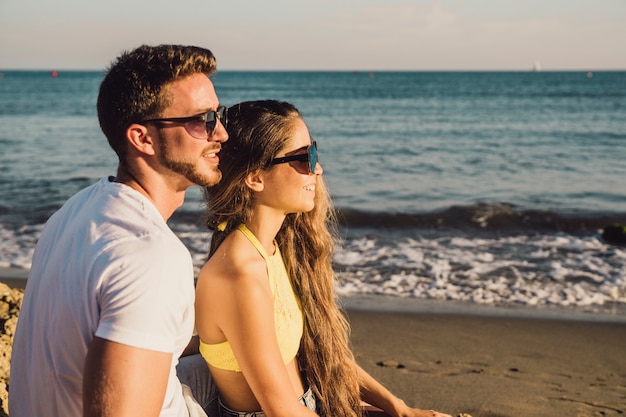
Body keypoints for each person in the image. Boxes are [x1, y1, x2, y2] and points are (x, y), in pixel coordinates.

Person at [195, 100, 452, 417]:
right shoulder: (238, 274)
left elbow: (325, 355)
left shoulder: (272, 249)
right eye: (304, 159)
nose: (317, 169)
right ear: (255, 178)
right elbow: (282, 411)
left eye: (313, 153)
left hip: (310, 403)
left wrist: (398, 408)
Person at [9, 44, 228, 417]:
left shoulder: (73, 213)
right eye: (202, 120)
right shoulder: (150, 256)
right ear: (142, 138)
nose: (220, 133)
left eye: (218, 115)